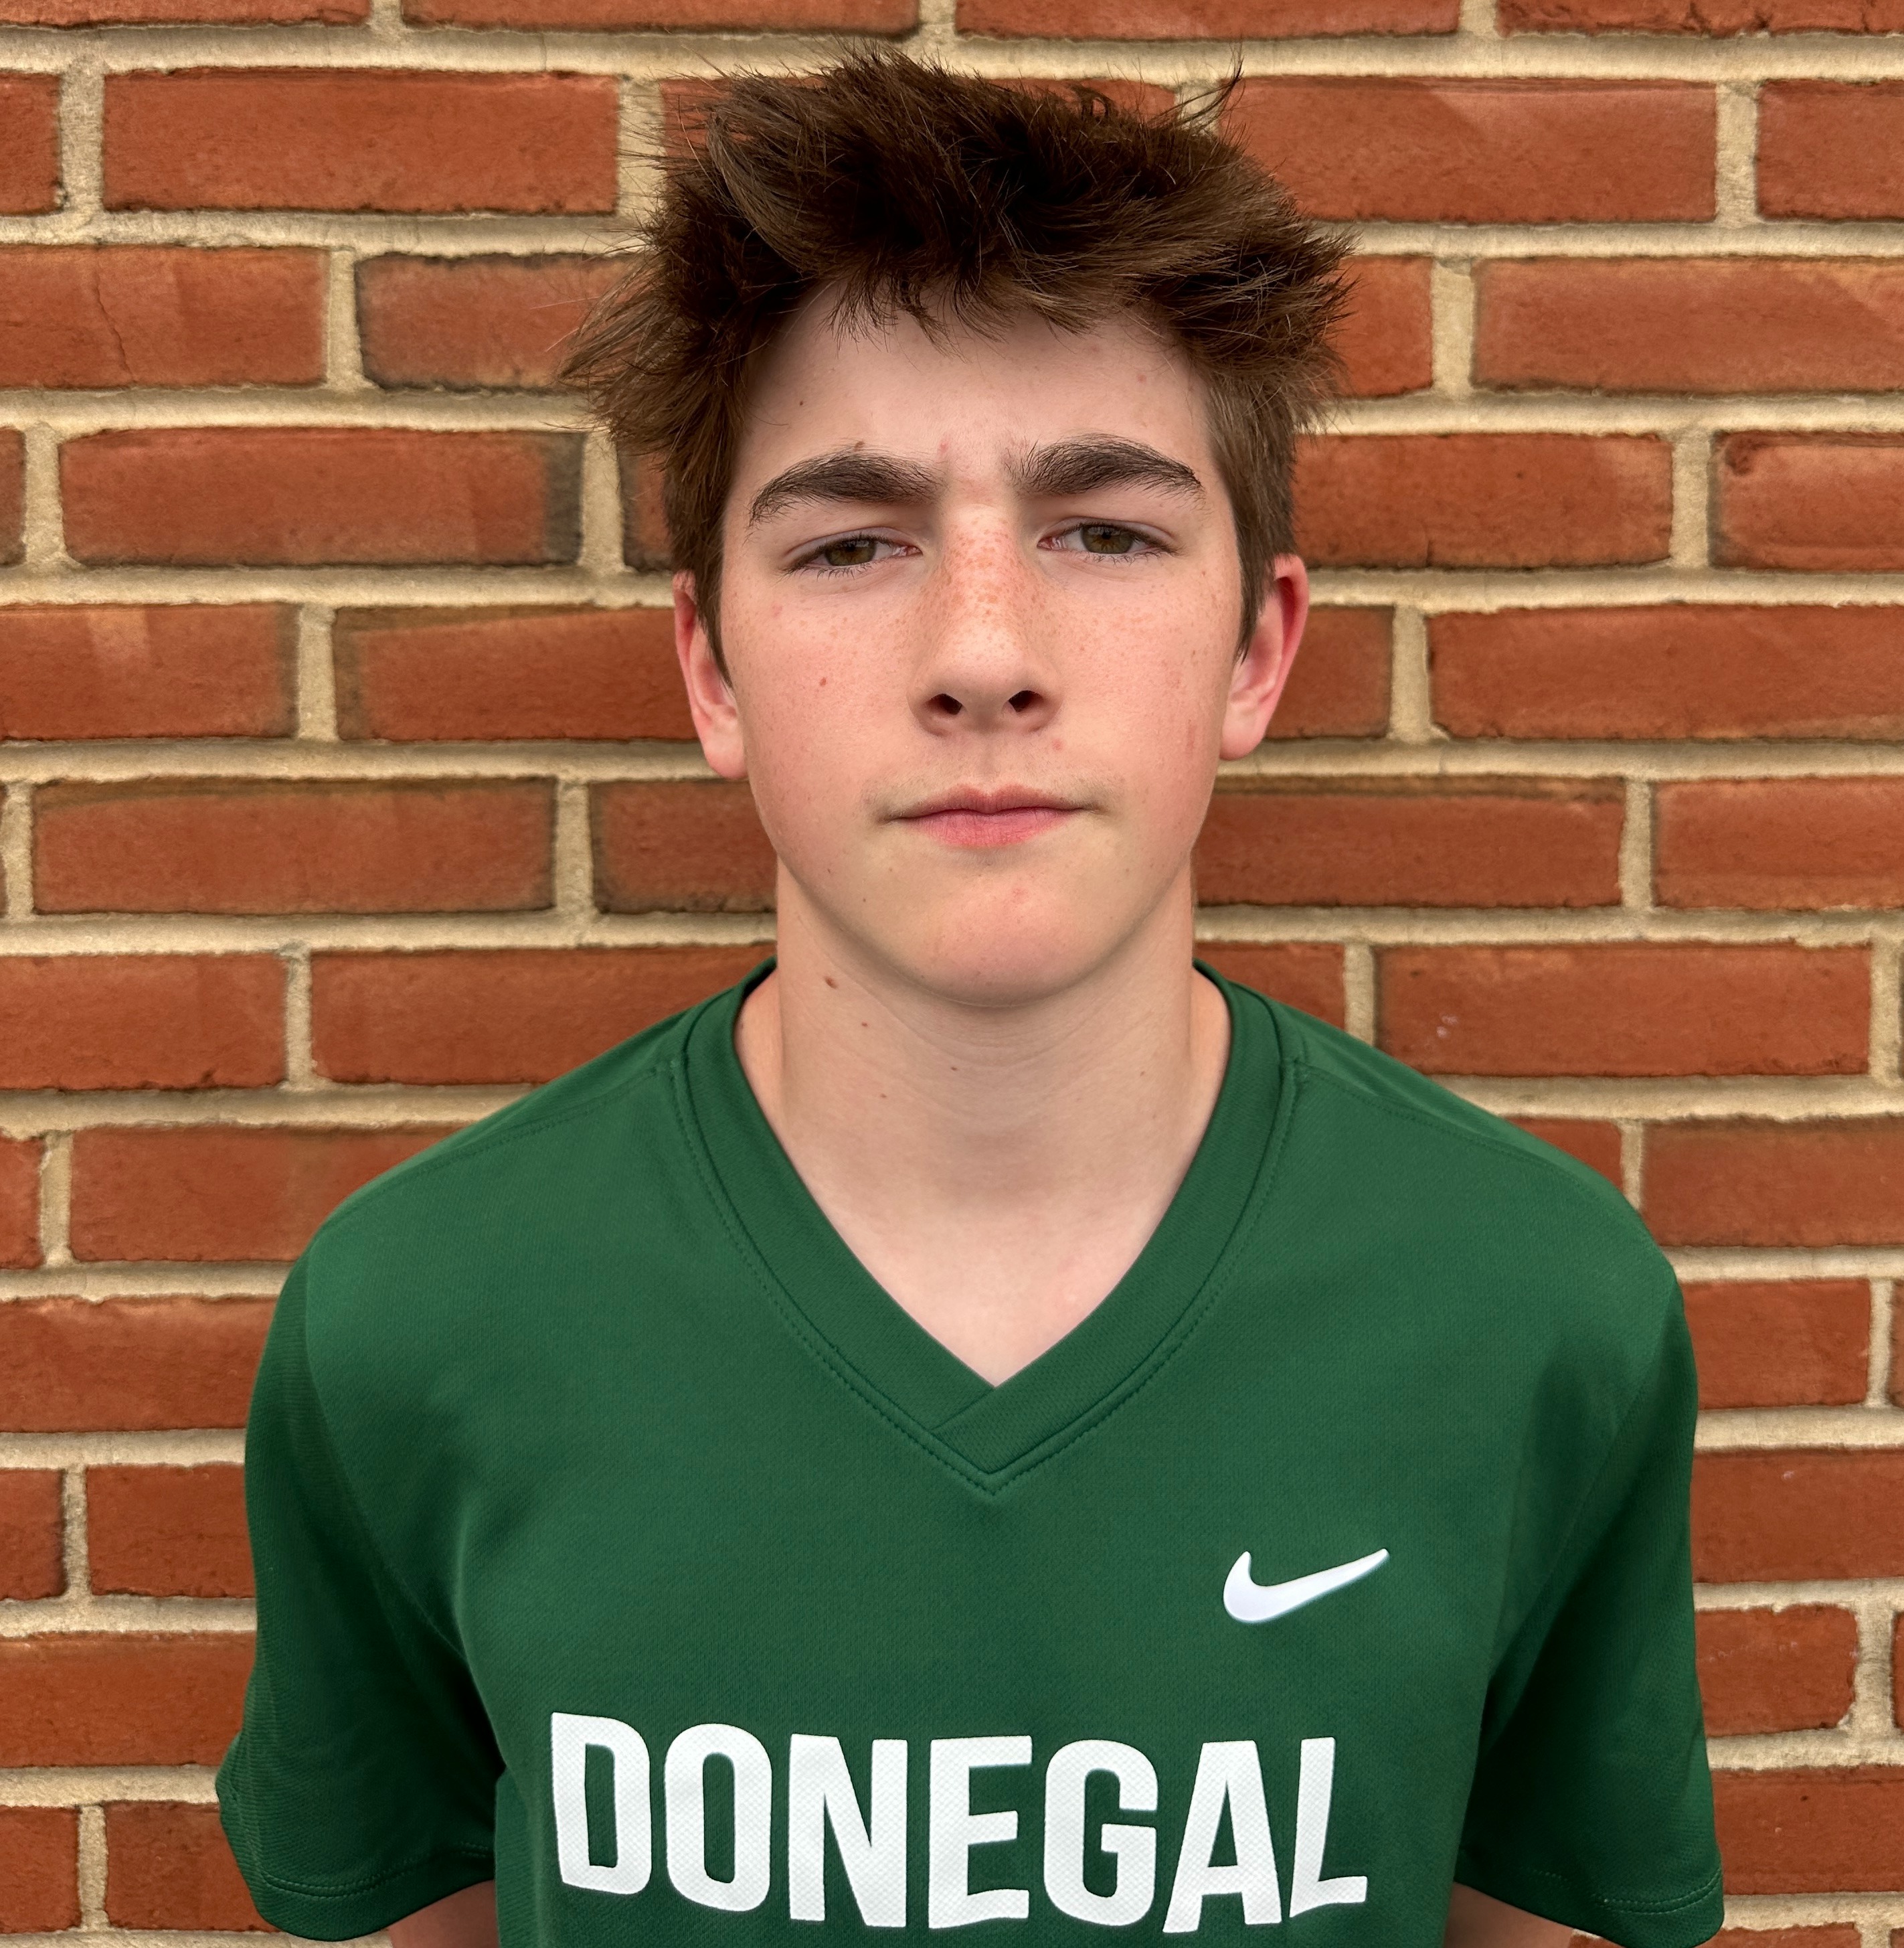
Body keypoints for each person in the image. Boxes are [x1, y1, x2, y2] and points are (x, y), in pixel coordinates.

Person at [215, 52, 1723, 1948]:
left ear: (1257, 652)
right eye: (853, 542)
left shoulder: (1539, 1312)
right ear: (712, 667)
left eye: (1107, 529)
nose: (985, 653)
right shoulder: (415, 1320)